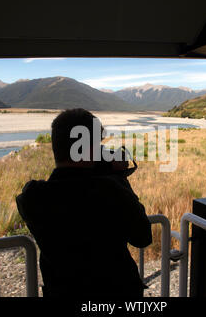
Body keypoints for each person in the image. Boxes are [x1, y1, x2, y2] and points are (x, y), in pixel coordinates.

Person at [16, 108, 152, 297]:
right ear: (88, 149)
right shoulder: (110, 191)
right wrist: (118, 176)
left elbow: (69, 184)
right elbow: (143, 236)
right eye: (98, 145)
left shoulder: (34, 197)